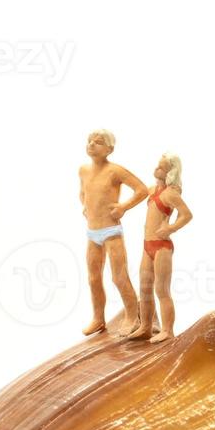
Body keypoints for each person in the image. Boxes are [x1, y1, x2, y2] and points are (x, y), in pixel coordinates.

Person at [79, 129, 150, 336]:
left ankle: (132, 316)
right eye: (89, 140)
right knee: (93, 278)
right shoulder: (83, 170)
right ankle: (98, 318)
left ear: (109, 149)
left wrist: (124, 207)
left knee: (119, 277)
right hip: (92, 233)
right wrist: (85, 206)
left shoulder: (115, 171)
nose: (92, 144)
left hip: (111, 232)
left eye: (98, 142)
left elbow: (142, 190)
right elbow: (83, 192)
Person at [126, 154, 193, 344]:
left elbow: (187, 215)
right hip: (147, 245)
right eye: (158, 165)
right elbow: (138, 193)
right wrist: (119, 208)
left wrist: (170, 228)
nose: (157, 169)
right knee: (145, 288)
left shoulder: (170, 194)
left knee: (161, 290)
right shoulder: (152, 189)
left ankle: (167, 330)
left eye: (162, 168)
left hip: (162, 247)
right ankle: (145, 327)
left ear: (170, 172)